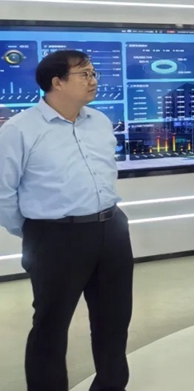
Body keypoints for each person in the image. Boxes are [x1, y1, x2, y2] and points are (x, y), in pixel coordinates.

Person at [0, 50, 134, 391]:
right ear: (56, 82)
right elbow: (3, 192)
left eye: (93, 73)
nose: (93, 80)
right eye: (84, 74)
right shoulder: (20, 130)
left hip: (111, 229)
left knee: (114, 321)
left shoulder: (99, 121)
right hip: (54, 237)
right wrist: (35, 231)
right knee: (51, 326)